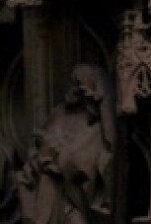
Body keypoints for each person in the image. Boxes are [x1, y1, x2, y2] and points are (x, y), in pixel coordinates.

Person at [18, 64, 114, 224]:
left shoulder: (98, 128)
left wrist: (62, 159)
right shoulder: (60, 113)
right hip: (51, 190)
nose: (77, 91)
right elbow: (38, 149)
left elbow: (93, 166)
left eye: (82, 87)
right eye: (76, 85)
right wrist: (45, 156)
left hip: (76, 198)